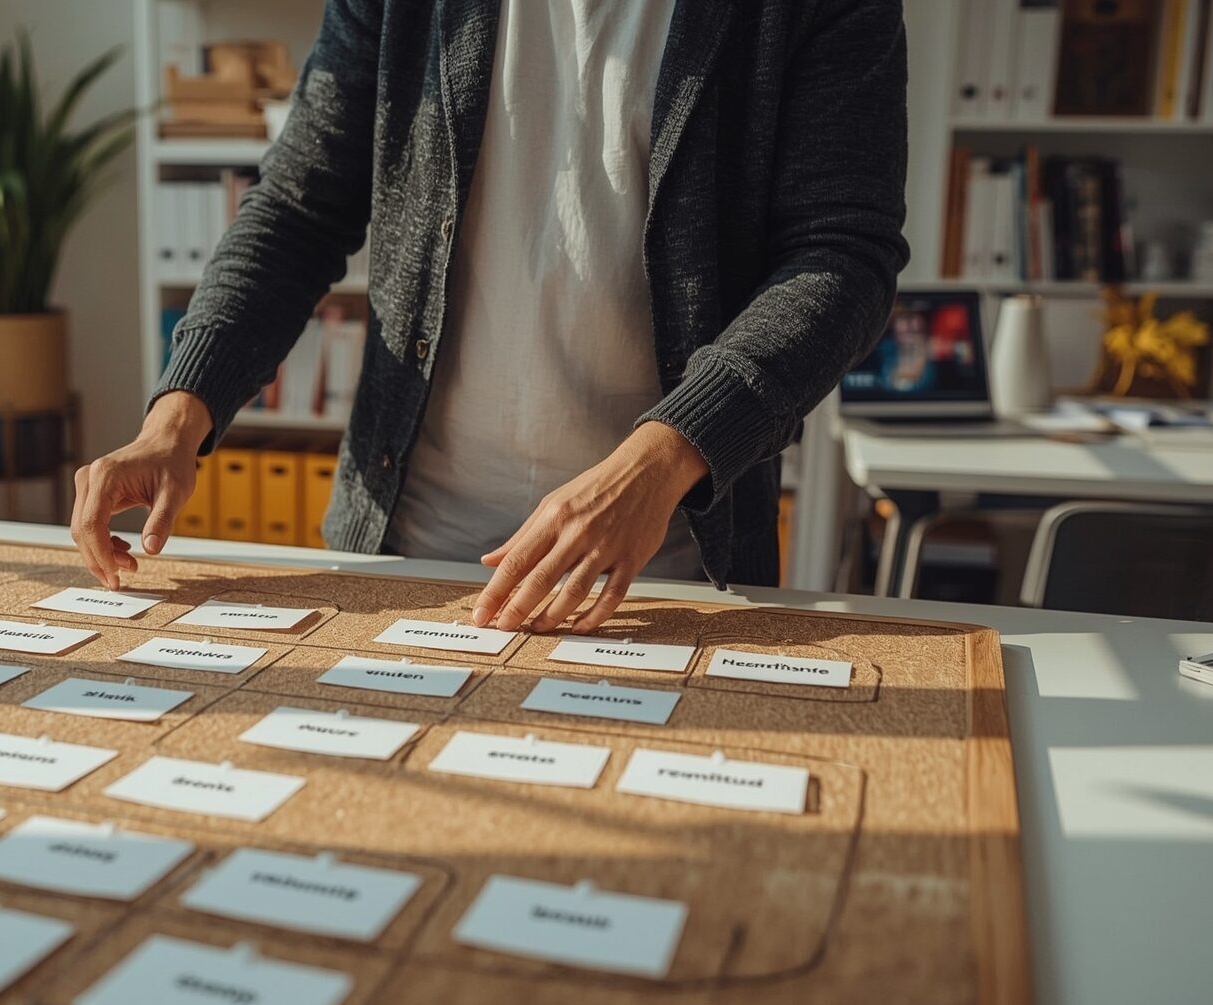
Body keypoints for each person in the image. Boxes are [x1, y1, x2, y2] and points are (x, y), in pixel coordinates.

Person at [70, 0, 908, 633]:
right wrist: (177, 414)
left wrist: (661, 460)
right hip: (400, 555)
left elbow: (841, 254)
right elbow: (298, 207)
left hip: (668, 574)